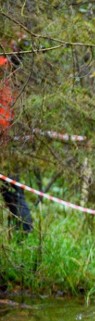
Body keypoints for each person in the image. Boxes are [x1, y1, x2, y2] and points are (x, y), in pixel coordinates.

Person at [0, 47, 32, 233]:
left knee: (13, 192)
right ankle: (24, 231)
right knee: (13, 192)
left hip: (4, 138)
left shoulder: (4, 69)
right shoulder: (7, 69)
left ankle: (24, 232)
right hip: (7, 136)